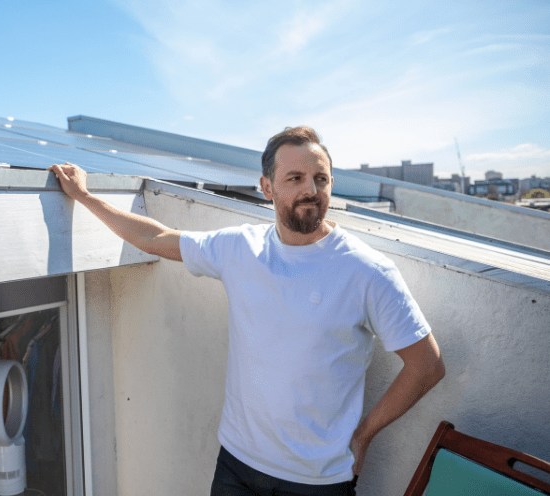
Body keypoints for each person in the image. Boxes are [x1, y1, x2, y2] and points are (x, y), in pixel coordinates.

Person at [48, 126, 445, 495]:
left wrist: (363, 435)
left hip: (316, 482)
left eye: (320, 179)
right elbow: (156, 237)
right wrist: (84, 196)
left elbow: (426, 365)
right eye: (296, 179)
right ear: (267, 188)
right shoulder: (240, 249)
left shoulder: (367, 271)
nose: (311, 190)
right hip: (236, 467)